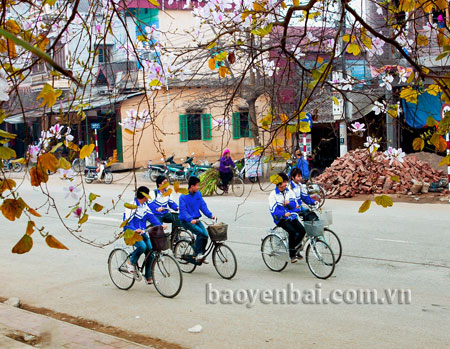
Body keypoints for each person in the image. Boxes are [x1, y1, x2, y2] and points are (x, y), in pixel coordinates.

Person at [123, 186, 166, 285]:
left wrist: (160, 225)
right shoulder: (132, 205)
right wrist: (135, 230)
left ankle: (148, 276)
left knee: (150, 250)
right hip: (130, 232)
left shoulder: (145, 206)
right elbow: (127, 222)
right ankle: (130, 262)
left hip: (141, 232)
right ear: (144, 195)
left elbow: (151, 217)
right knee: (142, 247)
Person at [269, 172, 305, 263]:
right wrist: (283, 214)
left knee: (302, 231)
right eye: (284, 182)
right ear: (279, 183)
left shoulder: (289, 191)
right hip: (281, 219)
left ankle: (293, 248)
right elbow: (274, 211)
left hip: (291, 216)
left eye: (286, 182)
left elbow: (294, 205)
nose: (286, 184)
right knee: (292, 232)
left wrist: (289, 203)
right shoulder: (273, 195)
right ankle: (292, 254)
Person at [179, 176, 215, 263]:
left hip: (196, 220)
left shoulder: (198, 194)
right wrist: (190, 219)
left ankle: (201, 253)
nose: (198, 187)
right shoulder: (183, 196)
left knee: (205, 235)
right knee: (200, 233)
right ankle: (198, 253)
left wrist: (210, 215)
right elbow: (183, 211)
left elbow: (203, 206)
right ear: (191, 186)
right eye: (197, 185)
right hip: (186, 221)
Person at [148, 175, 181, 246]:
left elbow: (171, 203)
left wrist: (177, 207)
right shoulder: (154, 193)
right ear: (159, 184)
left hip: (165, 213)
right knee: (160, 229)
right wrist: (157, 208)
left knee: (177, 218)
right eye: (164, 182)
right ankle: (158, 245)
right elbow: (150, 204)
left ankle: (174, 237)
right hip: (156, 215)